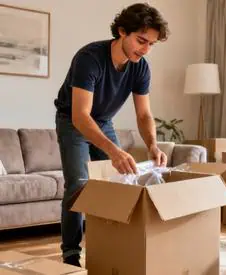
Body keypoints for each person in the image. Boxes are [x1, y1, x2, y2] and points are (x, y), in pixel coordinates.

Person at [53, 3, 169, 267]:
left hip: (103, 121)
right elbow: (81, 116)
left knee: (120, 181)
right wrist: (114, 151)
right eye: (141, 40)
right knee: (79, 184)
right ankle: (70, 254)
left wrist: (152, 145)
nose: (145, 49)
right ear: (121, 31)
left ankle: (111, 243)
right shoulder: (90, 58)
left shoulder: (141, 67)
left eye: (151, 44)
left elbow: (143, 115)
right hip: (72, 120)